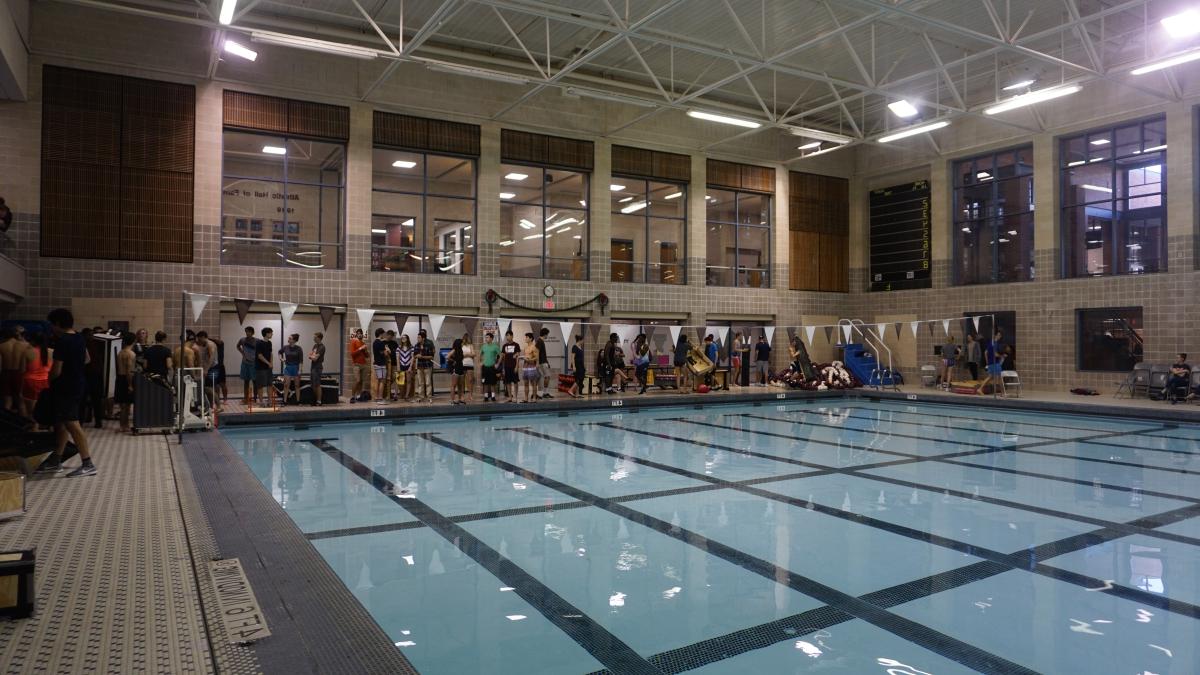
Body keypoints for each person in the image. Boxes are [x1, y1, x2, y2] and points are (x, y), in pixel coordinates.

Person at [38, 309, 95, 477]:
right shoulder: (79, 337)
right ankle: (56, 459)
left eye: (52, 324)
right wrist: (75, 369)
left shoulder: (63, 341)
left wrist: (50, 380)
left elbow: (56, 370)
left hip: (65, 387)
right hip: (77, 384)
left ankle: (88, 463)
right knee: (62, 422)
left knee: (71, 423)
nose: (51, 328)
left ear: (57, 323)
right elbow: (87, 359)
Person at [20, 333, 52, 425]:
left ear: (33, 341)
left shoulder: (27, 352)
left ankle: (34, 430)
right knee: (44, 408)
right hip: (46, 382)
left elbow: (22, 370)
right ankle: (48, 428)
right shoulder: (52, 351)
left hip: (30, 382)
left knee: (31, 411)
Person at [194, 331, 221, 413]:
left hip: (212, 368)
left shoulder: (210, 345)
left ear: (203, 337)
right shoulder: (206, 344)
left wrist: (206, 369)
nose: (198, 341)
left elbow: (211, 358)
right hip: (210, 368)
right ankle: (211, 406)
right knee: (209, 388)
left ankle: (219, 406)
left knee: (209, 388)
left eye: (199, 339)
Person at [114, 332, 136, 431]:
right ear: (134, 341)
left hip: (119, 378)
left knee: (123, 405)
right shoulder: (130, 354)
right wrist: (130, 385)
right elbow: (128, 371)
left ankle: (122, 425)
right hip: (126, 379)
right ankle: (125, 425)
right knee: (127, 405)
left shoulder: (120, 352)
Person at [975, 329, 1002, 395]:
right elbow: (995, 354)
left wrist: (987, 362)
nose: (1000, 337)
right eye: (999, 335)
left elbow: (985, 352)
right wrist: (1002, 356)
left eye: (1000, 335)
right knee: (1000, 376)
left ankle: (980, 389)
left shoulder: (991, 342)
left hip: (990, 363)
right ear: (995, 335)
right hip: (995, 363)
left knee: (990, 377)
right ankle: (1002, 392)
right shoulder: (995, 343)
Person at [0, 327, 21, 412]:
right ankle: (23, 422)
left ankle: (7, 422)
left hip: (6, 373)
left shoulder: (1, 346)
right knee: (20, 400)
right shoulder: (24, 345)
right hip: (20, 373)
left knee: (7, 400)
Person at [279, 333, 303, 405]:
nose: (288, 339)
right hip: (288, 368)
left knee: (297, 385)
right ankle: (285, 401)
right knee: (286, 385)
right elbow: (279, 352)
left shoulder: (299, 348)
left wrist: (300, 370)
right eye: (288, 338)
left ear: (294, 340)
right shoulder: (285, 347)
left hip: (296, 368)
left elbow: (301, 361)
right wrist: (281, 359)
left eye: (290, 338)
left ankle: (298, 401)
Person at [348, 328, 370, 403]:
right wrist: (361, 348)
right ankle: (352, 396)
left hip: (363, 364)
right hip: (356, 364)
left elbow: (367, 356)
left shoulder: (363, 343)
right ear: (356, 334)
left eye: (361, 333)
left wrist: (366, 351)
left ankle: (359, 396)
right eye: (359, 333)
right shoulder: (353, 341)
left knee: (361, 381)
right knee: (357, 380)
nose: (360, 335)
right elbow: (352, 354)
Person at [236, 327, 256, 405]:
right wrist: (242, 353)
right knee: (246, 381)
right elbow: (237, 346)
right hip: (245, 363)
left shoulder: (256, 341)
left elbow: (260, 350)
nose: (247, 333)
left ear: (253, 332)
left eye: (249, 332)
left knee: (255, 382)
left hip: (254, 363)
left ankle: (255, 398)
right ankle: (246, 398)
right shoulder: (242, 340)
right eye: (246, 332)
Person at [414, 329, 435, 403]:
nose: (418, 339)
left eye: (419, 337)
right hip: (419, 367)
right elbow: (414, 355)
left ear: (423, 338)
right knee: (420, 382)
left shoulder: (428, 345)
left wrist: (422, 357)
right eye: (417, 337)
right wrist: (417, 356)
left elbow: (431, 357)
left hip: (427, 366)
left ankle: (429, 397)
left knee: (428, 382)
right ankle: (421, 396)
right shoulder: (416, 345)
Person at [255, 327, 275, 407]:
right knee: (260, 385)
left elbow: (271, 354)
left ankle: (269, 401)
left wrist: (271, 363)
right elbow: (259, 356)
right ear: (266, 333)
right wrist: (268, 363)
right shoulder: (259, 343)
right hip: (260, 367)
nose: (272, 334)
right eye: (271, 332)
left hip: (268, 368)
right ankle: (261, 402)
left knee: (269, 384)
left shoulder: (269, 343)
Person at [479, 332, 500, 402]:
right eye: (486, 337)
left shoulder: (495, 346)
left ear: (491, 338)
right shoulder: (483, 346)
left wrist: (497, 364)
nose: (486, 339)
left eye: (487, 337)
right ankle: (486, 397)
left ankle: (493, 397)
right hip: (485, 367)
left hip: (492, 367)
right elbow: (480, 354)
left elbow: (501, 355)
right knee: (485, 383)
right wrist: (480, 362)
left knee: (492, 383)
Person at [306, 332, 325, 406]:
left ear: (319, 338)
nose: (313, 338)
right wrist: (312, 356)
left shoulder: (322, 347)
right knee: (313, 384)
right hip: (313, 367)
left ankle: (319, 401)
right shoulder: (315, 346)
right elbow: (312, 355)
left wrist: (311, 356)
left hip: (318, 367)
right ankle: (314, 399)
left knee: (317, 384)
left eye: (315, 337)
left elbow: (314, 358)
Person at [500, 330, 520, 403]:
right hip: (507, 366)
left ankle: (516, 396)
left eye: (508, 335)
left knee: (515, 382)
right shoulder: (504, 346)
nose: (507, 337)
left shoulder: (516, 345)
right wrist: (503, 368)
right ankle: (509, 397)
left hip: (513, 366)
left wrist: (517, 366)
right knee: (508, 382)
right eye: (506, 336)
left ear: (512, 336)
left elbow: (518, 356)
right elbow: (503, 357)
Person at [521, 332, 540, 403]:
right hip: (525, 367)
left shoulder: (534, 347)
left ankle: (534, 398)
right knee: (526, 383)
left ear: (531, 338)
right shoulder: (525, 347)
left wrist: (529, 360)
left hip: (531, 367)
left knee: (533, 383)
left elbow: (536, 358)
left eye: (527, 337)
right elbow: (526, 356)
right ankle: (526, 398)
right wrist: (523, 358)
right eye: (525, 337)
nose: (525, 338)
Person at [371, 328, 389, 403]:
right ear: (381, 334)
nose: (384, 335)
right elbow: (385, 354)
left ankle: (375, 396)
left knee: (377, 380)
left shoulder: (374, 342)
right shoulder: (381, 343)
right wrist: (387, 349)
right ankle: (380, 397)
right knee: (382, 381)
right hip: (382, 364)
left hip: (376, 363)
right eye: (383, 334)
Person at [395, 334, 414, 402]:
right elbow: (397, 358)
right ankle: (396, 394)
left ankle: (406, 395)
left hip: (408, 365)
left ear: (407, 339)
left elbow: (412, 357)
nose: (403, 339)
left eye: (405, 337)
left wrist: (410, 367)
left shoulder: (411, 347)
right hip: (401, 365)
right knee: (399, 381)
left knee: (408, 381)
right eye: (402, 338)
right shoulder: (399, 348)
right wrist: (398, 366)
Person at [536, 327, 553, 399]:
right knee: (546, 377)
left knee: (546, 377)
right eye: (547, 335)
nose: (547, 336)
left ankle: (543, 392)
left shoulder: (541, 341)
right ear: (545, 334)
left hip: (544, 362)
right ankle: (543, 393)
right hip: (542, 362)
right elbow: (537, 352)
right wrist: (537, 362)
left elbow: (543, 354)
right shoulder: (539, 341)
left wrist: (547, 362)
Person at [568, 334, 586, 398]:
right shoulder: (574, 347)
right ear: (580, 340)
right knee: (579, 378)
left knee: (579, 379)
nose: (583, 342)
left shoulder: (580, 347)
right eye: (582, 340)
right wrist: (574, 366)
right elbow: (572, 357)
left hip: (581, 365)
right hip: (577, 365)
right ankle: (570, 390)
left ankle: (577, 393)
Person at [448, 339, 465, 405]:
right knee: (453, 385)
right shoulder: (454, 350)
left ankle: (459, 399)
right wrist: (453, 361)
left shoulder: (461, 351)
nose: (462, 344)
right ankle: (452, 400)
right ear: (459, 344)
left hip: (461, 368)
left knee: (460, 385)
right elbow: (447, 356)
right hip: (456, 369)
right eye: (461, 343)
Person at [384, 330, 400, 401]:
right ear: (387, 335)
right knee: (388, 379)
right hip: (386, 364)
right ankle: (388, 394)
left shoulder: (394, 343)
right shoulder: (383, 342)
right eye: (389, 336)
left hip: (394, 363)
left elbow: (396, 353)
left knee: (395, 378)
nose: (390, 337)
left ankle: (395, 394)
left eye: (391, 336)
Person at [461, 332, 476, 402]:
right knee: (462, 380)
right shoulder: (461, 345)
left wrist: (467, 354)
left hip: (470, 364)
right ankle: (462, 395)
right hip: (463, 364)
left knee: (470, 380)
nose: (466, 339)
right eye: (465, 338)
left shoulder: (471, 345)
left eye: (467, 338)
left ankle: (470, 394)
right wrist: (468, 354)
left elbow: (474, 354)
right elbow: (461, 355)